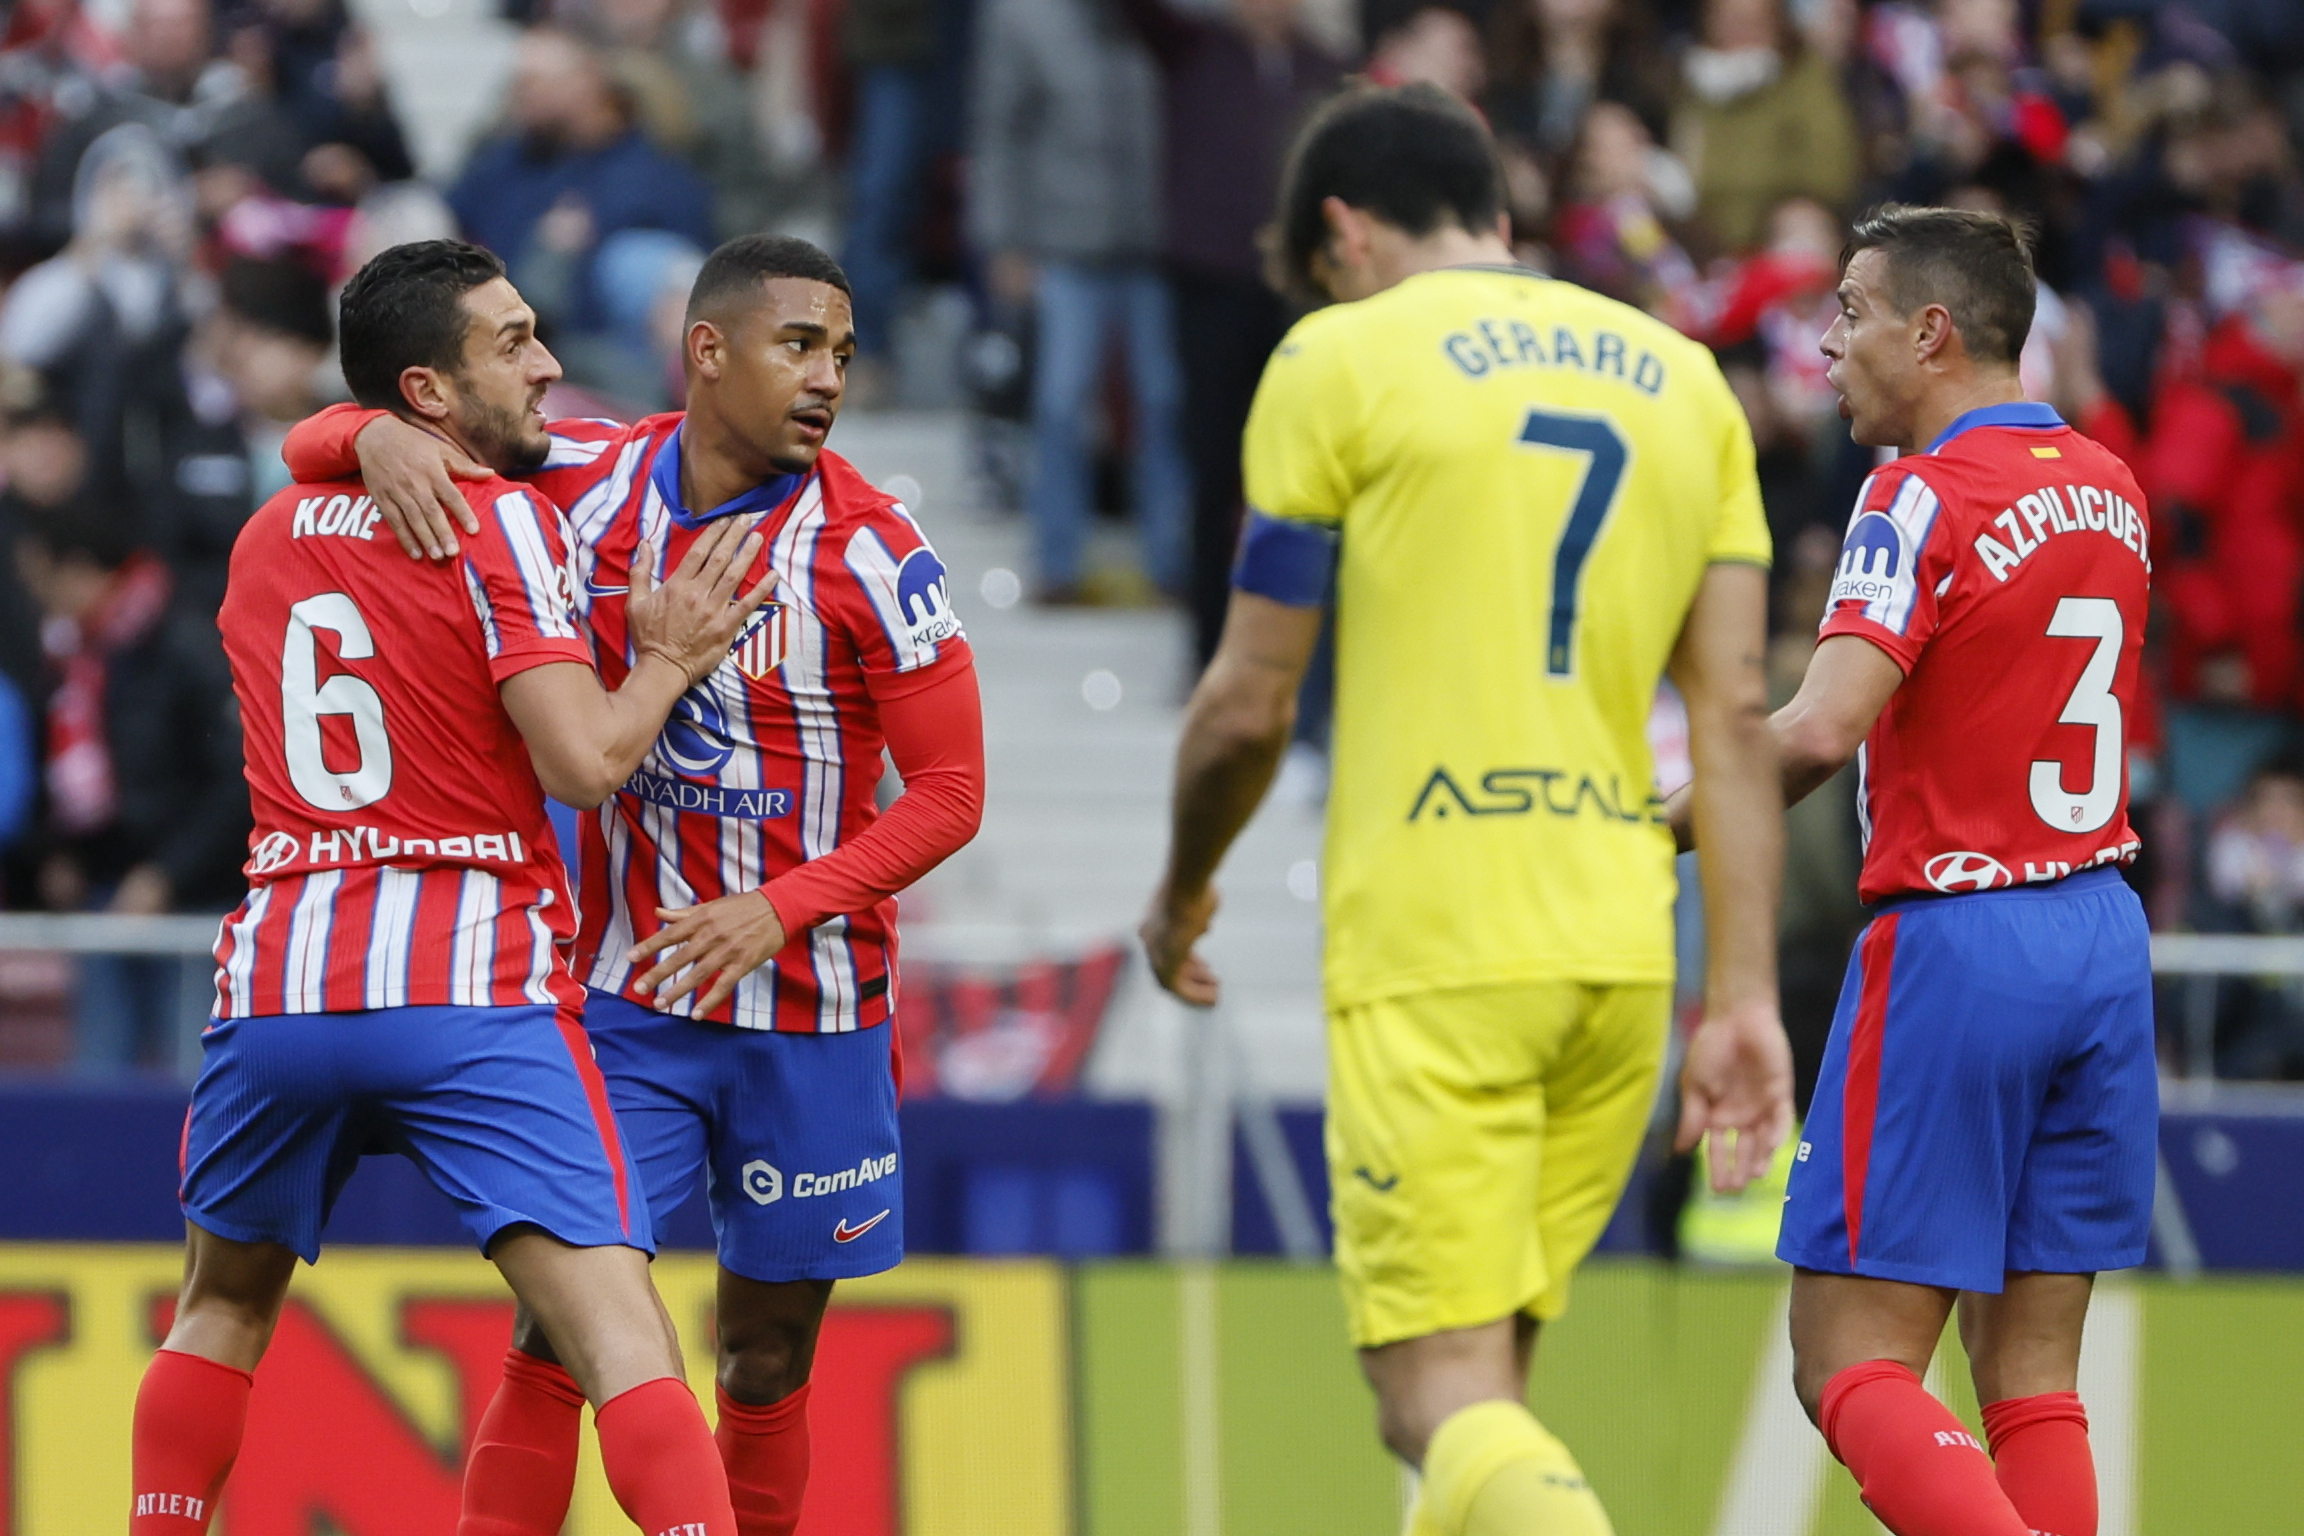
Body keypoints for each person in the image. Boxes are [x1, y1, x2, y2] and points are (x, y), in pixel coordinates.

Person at [1139, 84, 1791, 1536]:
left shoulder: (1341, 356)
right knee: (1491, 1396)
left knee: (1428, 1389)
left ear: (1343, 232)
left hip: (1440, 930)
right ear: (1497, 217)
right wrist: (1739, 992)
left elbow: (1251, 700)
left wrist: (1183, 884)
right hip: (1626, 946)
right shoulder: (1686, 379)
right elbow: (1739, 724)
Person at [278, 232, 986, 1536]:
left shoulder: (876, 555)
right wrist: (360, 435)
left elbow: (953, 792)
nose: (827, 377)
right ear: (706, 352)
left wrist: (782, 906)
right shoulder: (589, 474)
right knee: (560, 1336)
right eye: (797, 345)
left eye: (840, 351)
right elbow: (385, 418)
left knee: (764, 1359)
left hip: (813, 1014)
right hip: (628, 1002)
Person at [129, 238, 770, 1536]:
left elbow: (322, 457)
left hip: (286, 988)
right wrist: (666, 660)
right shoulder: (504, 525)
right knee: (621, 1339)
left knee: (219, 1311)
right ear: (428, 392)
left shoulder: (263, 535)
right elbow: (584, 765)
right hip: (467, 983)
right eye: (513, 343)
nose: (547, 363)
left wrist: (347, 434)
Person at [1667, 205, 2156, 1536]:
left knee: (1848, 1359)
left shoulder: (1917, 494)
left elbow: (1822, 728)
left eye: (1849, 312)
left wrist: (1662, 817)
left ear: (1929, 332)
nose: (1826, 345)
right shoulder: (2110, 483)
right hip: (2103, 935)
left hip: (1963, 941)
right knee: (2033, 1379)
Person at [969, 0, 1187, 603]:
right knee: (1061, 404)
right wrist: (1004, 240)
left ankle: (1173, 564)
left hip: (1158, 243)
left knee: (1165, 404)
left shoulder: (1169, 18)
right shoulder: (1024, 19)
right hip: (1064, 243)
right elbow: (999, 130)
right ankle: (1056, 563)